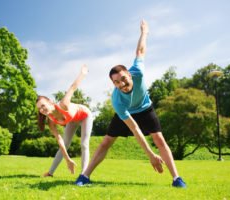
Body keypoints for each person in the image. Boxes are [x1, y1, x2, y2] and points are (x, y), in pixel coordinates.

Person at [75, 20, 186, 188]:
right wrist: (150, 155)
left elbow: (140, 51)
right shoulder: (117, 100)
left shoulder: (138, 72)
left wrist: (144, 33)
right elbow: (135, 129)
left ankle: (177, 179)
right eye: (116, 82)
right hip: (127, 113)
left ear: (129, 74)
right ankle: (84, 176)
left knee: (159, 139)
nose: (121, 84)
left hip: (145, 109)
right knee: (106, 142)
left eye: (123, 79)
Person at [36, 65, 93, 176]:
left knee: (84, 144)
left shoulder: (63, 104)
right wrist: (68, 160)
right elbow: (60, 141)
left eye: (43, 106)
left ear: (51, 102)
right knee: (65, 144)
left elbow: (73, 87)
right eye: (39, 109)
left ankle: (84, 175)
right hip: (72, 120)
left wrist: (83, 73)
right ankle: (50, 173)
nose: (42, 110)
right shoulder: (50, 120)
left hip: (85, 115)